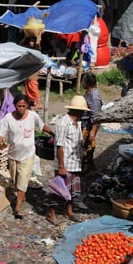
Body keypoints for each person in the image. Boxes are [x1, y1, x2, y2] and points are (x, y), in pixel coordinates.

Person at [0, 93, 54, 218]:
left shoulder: (33, 116)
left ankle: (17, 207)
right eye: (19, 106)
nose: (21, 109)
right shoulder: (8, 118)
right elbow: (1, 135)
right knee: (15, 180)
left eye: (24, 106)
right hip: (13, 155)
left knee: (23, 180)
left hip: (28, 154)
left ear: (27, 106)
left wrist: (53, 134)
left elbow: (42, 126)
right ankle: (22, 196)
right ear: (15, 106)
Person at [47, 95, 88, 225]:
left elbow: (78, 142)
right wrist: (61, 166)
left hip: (75, 162)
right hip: (65, 162)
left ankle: (69, 211)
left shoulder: (78, 124)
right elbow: (60, 145)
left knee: (71, 189)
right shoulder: (64, 122)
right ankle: (51, 213)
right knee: (59, 189)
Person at [81, 73, 103, 175]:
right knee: (86, 146)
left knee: (87, 146)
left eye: (83, 81)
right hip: (85, 123)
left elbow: (96, 116)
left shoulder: (94, 97)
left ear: (87, 82)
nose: (82, 83)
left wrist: (93, 131)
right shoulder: (89, 93)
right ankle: (92, 168)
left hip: (89, 126)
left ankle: (88, 168)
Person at [20, 36, 43, 109]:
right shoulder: (26, 48)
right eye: (30, 41)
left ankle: (38, 102)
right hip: (28, 69)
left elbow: (38, 44)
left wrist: (39, 35)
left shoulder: (36, 49)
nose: (31, 43)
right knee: (28, 86)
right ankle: (30, 101)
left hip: (34, 70)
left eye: (33, 41)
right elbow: (19, 45)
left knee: (33, 85)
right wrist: (25, 36)